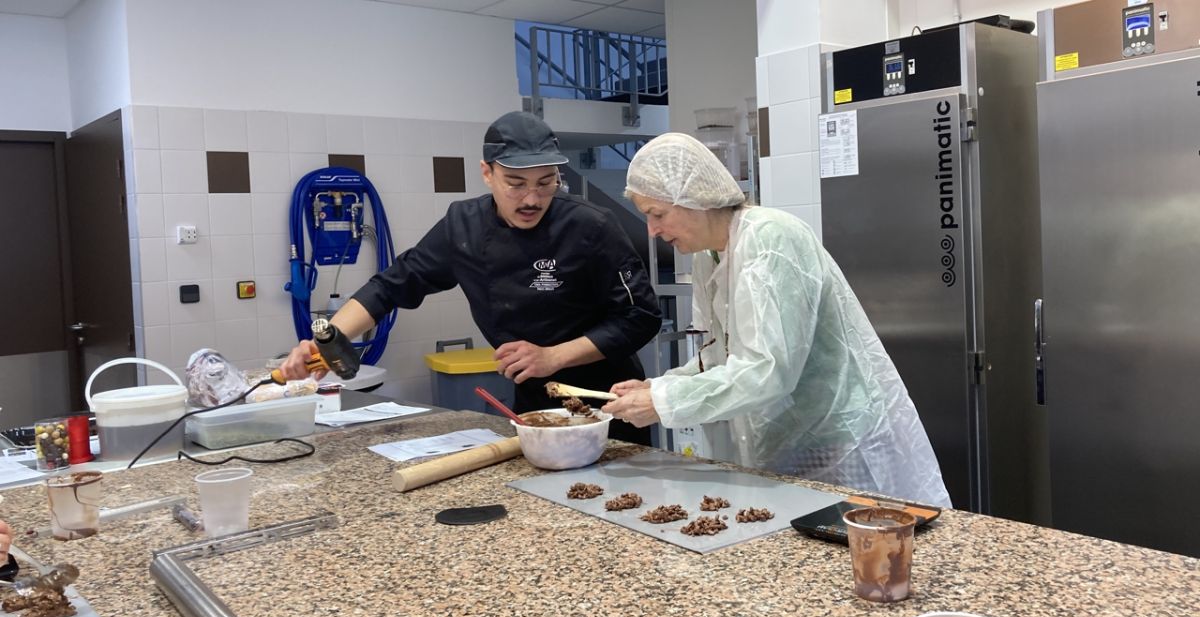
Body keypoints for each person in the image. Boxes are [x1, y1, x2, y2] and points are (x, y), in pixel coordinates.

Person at [601, 133, 951, 507]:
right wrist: (659, 387)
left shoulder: (770, 239)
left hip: (841, 439)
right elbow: (722, 354)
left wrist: (665, 402)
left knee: (868, 536)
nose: (652, 230)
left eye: (657, 214)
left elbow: (769, 371)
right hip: (791, 441)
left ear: (695, 198)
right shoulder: (711, 255)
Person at [281, 111, 661, 444]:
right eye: (516, 183)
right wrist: (326, 343)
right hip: (533, 406)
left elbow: (641, 316)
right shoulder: (464, 226)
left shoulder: (591, 226)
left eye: (546, 183)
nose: (532, 199)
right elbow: (392, 284)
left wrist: (553, 356)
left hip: (609, 403)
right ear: (487, 173)